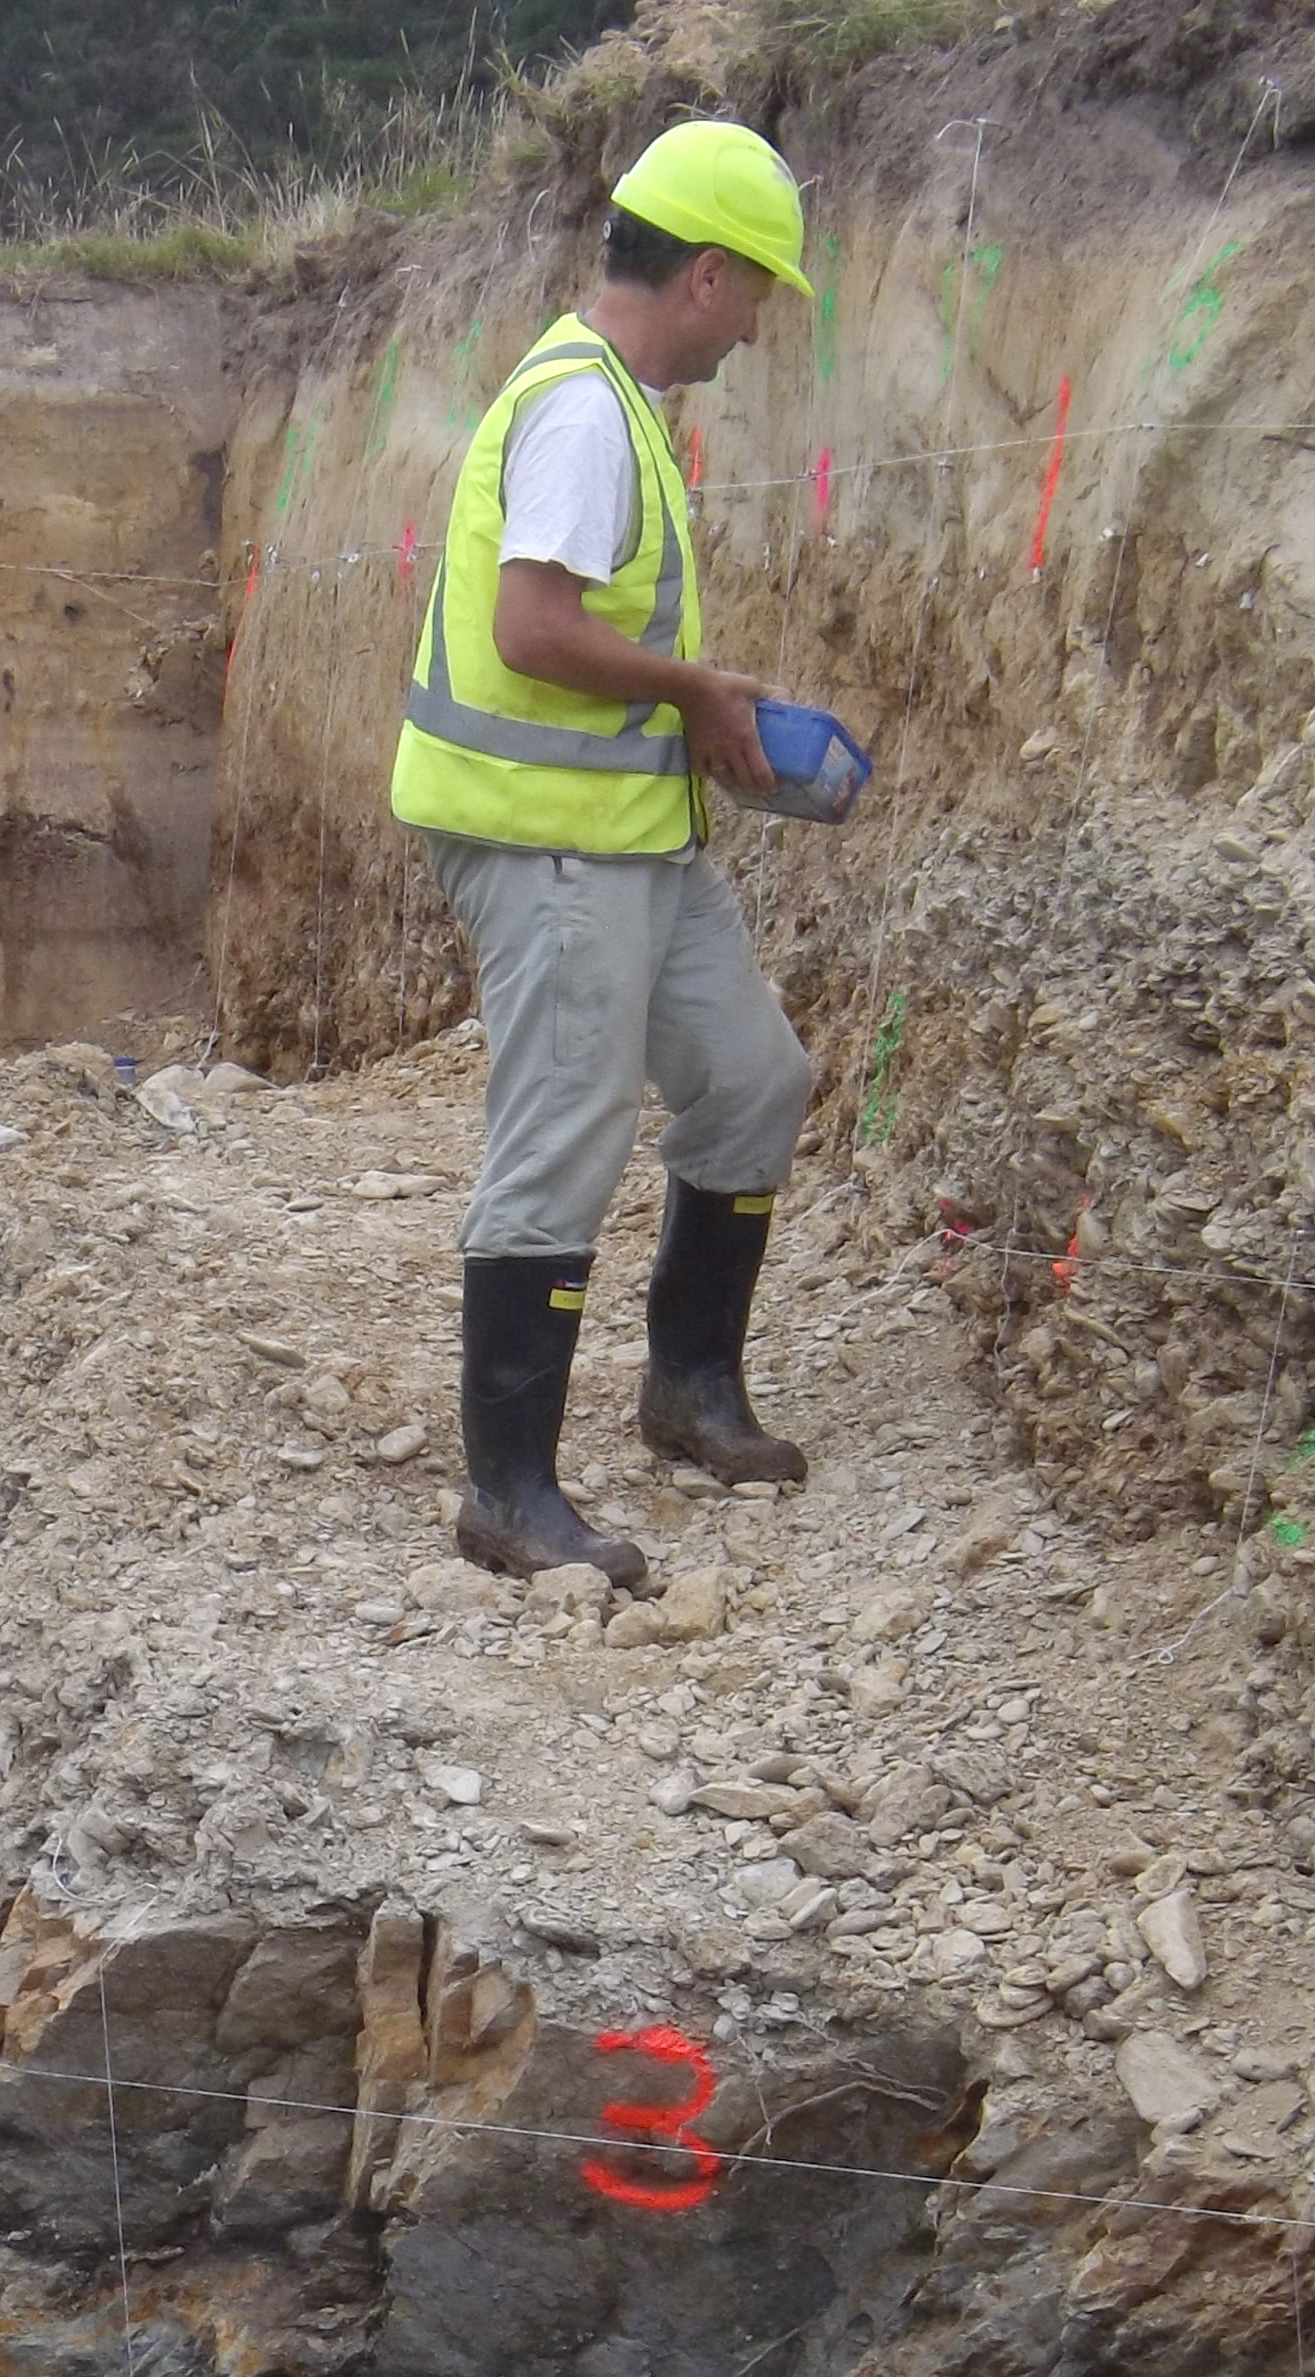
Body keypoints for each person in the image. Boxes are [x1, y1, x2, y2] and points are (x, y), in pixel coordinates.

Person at [390, 117, 826, 1599]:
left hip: (631, 838)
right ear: (705, 274)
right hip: (546, 843)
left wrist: (690, 711)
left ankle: (687, 1388)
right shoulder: (585, 411)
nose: (759, 327)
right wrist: (696, 691)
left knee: (753, 1076)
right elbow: (532, 628)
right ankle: (509, 1491)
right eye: (759, 291)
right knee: (564, 1133)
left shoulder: (618, 402)